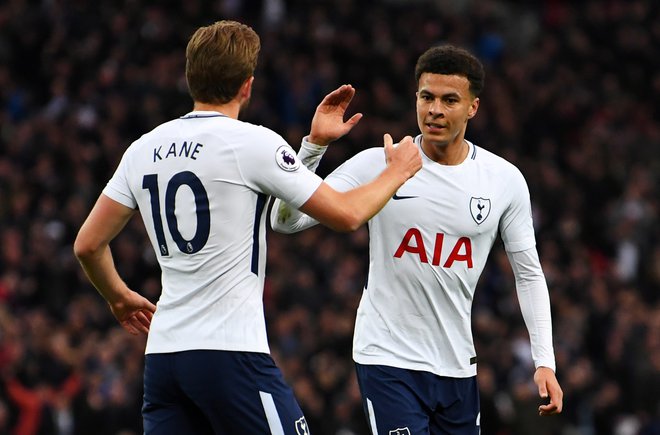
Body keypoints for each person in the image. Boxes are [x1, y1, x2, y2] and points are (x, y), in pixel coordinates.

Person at [73, 20, 421, 435]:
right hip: (230, 354)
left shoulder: (142, 148)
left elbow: (89, 245)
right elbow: (345, 214)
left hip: (164, 359)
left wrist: (119, 297)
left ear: (190, 77)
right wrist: (396, 172)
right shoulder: (250, 142)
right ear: (247, 86)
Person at [271, 44, 564, 434]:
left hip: (456, 365)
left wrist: (544, 360)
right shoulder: (380, 163)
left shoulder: (503, 180)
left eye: (450, 100)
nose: (435, 110)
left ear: (473, 107)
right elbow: (284, 221)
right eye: (427, 97)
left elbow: (528, 275)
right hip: (387, 359)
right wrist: (314, 145)